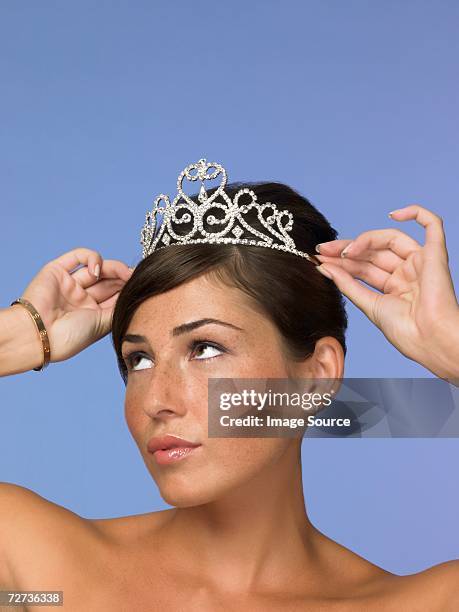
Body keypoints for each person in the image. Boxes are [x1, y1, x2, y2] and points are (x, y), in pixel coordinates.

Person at [1, 162, 459, 610]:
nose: (156, 401)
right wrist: (25, 334)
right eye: (138, 359)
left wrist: (449, 346)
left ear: (318, 372)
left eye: (205, 348)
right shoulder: (44, 575)